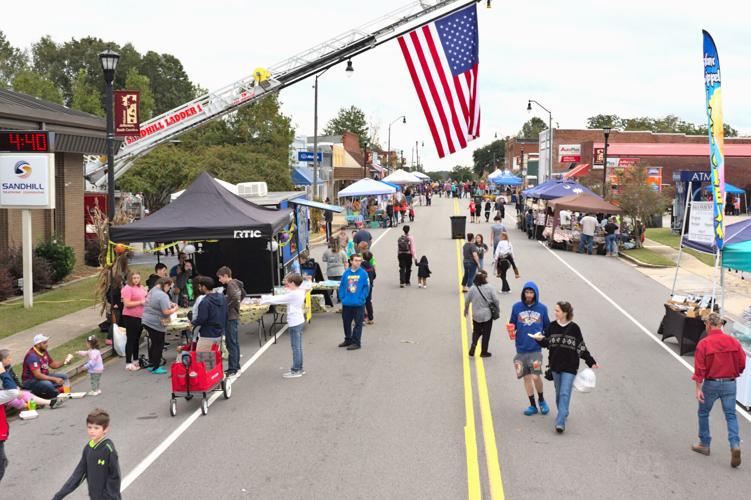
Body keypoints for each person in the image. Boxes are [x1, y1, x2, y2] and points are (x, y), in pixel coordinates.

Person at [530, 302, 598, 433]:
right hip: (555, 365)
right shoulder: (552, 326)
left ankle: (560, 422)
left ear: (565, 313)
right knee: (558, 392)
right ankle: (564, 411)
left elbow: (581, 347)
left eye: (557, 311)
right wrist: (538, 339)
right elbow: (547, 342)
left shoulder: (574, 328)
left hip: (570, 366)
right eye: (555, 310)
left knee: (564, 392)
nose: (555, 313)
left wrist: (591, 361)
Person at [691, 312, 746, 468]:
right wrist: (734, 373)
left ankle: (704, 443)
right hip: (730, 383)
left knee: (703, 412)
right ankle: (735, 444)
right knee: (730, 415)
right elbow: (742, 363)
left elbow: (699, 369)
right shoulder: (733, 342)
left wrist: (698, 389)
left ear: (708, 324)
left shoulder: (704, 343)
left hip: (712, 383)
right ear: (720, 324)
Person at [52, 408, 121, 500]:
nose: (92, 431)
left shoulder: (108, 449)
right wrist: (59, 495)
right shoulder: (88, 449)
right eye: (89, 427)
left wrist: (109, 496)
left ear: (105, 429)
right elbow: (78, 474)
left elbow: (115, 476)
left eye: (96, 428)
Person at [509, 282, 550, 416]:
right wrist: (511, 330)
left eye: (531, 292)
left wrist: (542, 337)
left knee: (535, 376)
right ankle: (532, 405)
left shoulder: (542, 309)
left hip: (535, 349)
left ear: (536, 293)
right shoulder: (516, 307)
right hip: (520, 348)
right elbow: (512, 324)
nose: (529, 295)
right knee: (526, 378)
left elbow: (548, 328)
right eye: (526, 292)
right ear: (523, 293)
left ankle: (542, 400)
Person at [260, 274, 307, 378]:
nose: (287, 284)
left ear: (293, 283)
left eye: (289, 282)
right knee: (298, 347)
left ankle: (296, 370)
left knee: (296, 347)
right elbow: (287, 294)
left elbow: (278, 299)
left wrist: (263, 299)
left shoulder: (294, 294)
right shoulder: (300, 291)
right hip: (298, 320)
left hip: (294, 322)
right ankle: (299, 368)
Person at [141, 277, 178, 375]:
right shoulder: (162, 295)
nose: (169, 289)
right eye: (169, 287)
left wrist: (170, 303)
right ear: (166, 285)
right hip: (155, 322)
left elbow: (157, 302)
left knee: (153, 343)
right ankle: (156, 366)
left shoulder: (153, 290)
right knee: (159, 344)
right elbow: (166, 312)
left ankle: (152, 364)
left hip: (146, 320)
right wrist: (174, 309)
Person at [21, 335, 72, 399]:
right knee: (48, 384)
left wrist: (64, 361)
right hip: (31, 381)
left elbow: (53, 364)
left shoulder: (43, 351)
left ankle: (54, 390)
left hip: (43, 376)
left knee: (64, 377)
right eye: (44, 343)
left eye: (47, 342)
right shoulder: (32, 356)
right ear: (38, 345)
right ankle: (52, 392)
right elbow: (38, 375)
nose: (47, 344)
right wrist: (55, 379)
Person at [464, 271, 500, 357]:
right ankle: (484, 352)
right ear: (485, 278)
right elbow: (496, 300)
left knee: (476, 331)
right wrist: (497, 308)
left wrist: (466, 310)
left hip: (476, 315)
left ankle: (474, 344)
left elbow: (467, 301)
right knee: (486, 334)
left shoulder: (472, 288)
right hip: (487, 315)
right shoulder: (490, 288)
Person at [338, 254, 370, 350]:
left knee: (358, 323)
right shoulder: (346, 273)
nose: (358, 262)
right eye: (356, 260)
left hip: (358, 304)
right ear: (351, 261)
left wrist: (361, 298)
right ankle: (348, 339)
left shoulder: (364, 273)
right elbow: (342, 286)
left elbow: (366, 287)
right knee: (346, 322)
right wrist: (342, 297)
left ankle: (356, 342)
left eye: (360, 260)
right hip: (347, 303)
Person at [192, 276, 228, 354]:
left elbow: (201, 319)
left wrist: (193, 323)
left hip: (207, 335)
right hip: (219, 334)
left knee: (202, 362)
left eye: (200, 286)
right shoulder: (222, 297)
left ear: (204, 287)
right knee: (213, 361)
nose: (199, 288)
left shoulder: (205, 301)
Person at [216, 267, 240, 375]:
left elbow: (235, 298)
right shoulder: (235, 283)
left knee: (231, 342)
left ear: (225, 276)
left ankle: (233, 368)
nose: (219, 280)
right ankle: (236, 365)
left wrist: (226, 306)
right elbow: (241, 294)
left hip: (230, 316)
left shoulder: (231, 285)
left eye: (220, 277)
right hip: (233, 315)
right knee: (234, 342)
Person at [121, 271, 147, 371]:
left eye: (137, 278)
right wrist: (141, 302)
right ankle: (128, 362)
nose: (136, 280)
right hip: (130, 316)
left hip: (140, 316)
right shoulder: (127, 288)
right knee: (131, 339)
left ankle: (135, 360)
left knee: (137, 339)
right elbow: (127, 304)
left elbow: (145, 297)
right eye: (134, 278)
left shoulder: (141, 287)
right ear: (130, 279)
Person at [361, 251, 376, 325]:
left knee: (361, 301)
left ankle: (363, 319)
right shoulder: (371, 266)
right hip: (370, 285)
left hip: (362, 286)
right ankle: (370, 318)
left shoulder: (361, 266)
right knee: (368, 301)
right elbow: (374, 276)